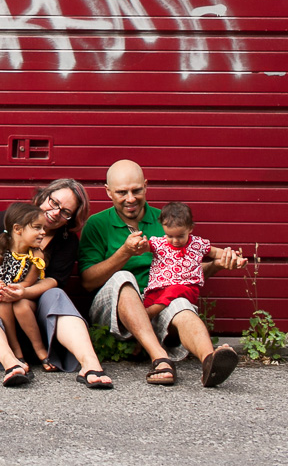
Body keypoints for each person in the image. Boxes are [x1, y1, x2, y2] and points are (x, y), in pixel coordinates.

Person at [79, 160, 247, 388]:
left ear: (146, 186)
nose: (130, 198)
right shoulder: (97, 224)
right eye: (121, 192)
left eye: (136, 190)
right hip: (115, 312)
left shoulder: (167, 222)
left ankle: (210, 361)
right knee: (123, 278)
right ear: (108, 192)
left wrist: (218, 264)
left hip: (157, 304)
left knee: (180, 304)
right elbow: (88, 282)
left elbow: (186, 275)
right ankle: (160, 359)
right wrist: (124, 253)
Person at [0, 178, 114, 388]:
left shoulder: (66, 241)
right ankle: (12, 364)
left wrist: (23, 292)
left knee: (57, 295)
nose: (55, 213)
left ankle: (90, 364)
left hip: (41, 326)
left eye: (65, 212)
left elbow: (54, 280)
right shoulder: (2, 222)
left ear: (71, 218)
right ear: (43, 196)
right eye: (54, 202)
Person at [0, 202, 54, 371]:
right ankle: (16, 351)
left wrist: (16, 290)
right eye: (37, 227)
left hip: (25, 296)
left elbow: (28, 282)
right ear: (18, 229)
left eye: (43, 228)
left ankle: (40, 349)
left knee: (20, 306)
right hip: (2, 297)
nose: (43, 232)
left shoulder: (35, 255)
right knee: (3, 304)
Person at [143, 201, 233, 316]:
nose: (175, 241)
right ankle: (143, 322)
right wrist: (142, 245)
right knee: (147, 301)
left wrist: (231, 256)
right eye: (170, 236)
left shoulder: (197, 244)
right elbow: (146, 247)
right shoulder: (160, 243)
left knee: (173, 290)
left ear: (190, 228)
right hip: (158, 288)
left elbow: (215, 252)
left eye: (180, 236)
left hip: (186, 288)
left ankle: (152, 312)